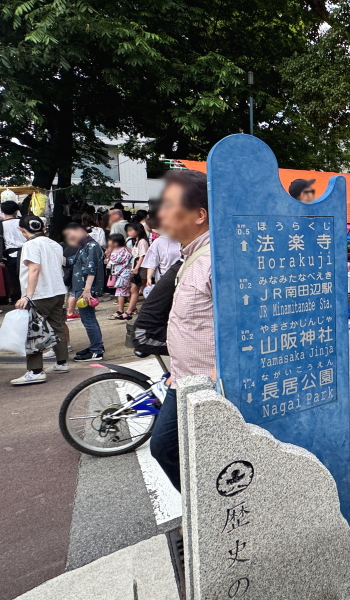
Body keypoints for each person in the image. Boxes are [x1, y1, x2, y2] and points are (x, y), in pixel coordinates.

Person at [150, 170, 213, 491]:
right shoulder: (190, 256)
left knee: (166, 448)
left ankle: (212, 512)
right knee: (171, 449)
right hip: (183, 380)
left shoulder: (216, 261)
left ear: (199, 214)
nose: (161, 213)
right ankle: (207, 511)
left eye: (170, 204)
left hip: (210, 386)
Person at [10, 215, 69, 385]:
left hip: (39, 294)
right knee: (57, 326)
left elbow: (34, 269)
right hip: (57, 291)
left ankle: (35, 371)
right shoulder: (54, 244)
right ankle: (62, 362)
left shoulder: (30, 245)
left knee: (33, 331)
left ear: (22, 230)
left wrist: (27, 295)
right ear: (42, 227)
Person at [63, 222, 105, 361]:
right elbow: (70, 262)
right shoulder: (84, 246)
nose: (70, 238)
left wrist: (87, 290)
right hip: (82, 288)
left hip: (85, 290)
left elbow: (91, 269)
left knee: (88, 319)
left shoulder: (92, 246)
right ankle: (96, 345)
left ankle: (96, 350)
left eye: (71, 234)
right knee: (89, 318)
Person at [0, 200, 24, 304]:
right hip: (26, 253)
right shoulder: (24, 222)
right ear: (16, 211)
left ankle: (18, 301)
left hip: (11, 256)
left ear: (2, 211)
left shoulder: (0, 225)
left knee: (15, 281)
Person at [106, 234, 133, 319]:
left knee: (120, 292)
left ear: (115, 243)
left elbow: (112, 260)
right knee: (127, 290)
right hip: (125, 273)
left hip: (122, 274)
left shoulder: (118, 251)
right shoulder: (126, 249)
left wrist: (108, 255)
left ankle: (120, 310)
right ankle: (132, 308)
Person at [125, 222, 149, 315]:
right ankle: (132, 308)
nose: (129, 233)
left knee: (135, 289)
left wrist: (136, 268)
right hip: (137, 266)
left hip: (140, 267)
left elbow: (142, 256)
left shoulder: (142, 241)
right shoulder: (137, 241)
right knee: (138, 288)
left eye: (131, 230)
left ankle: (130, 310)